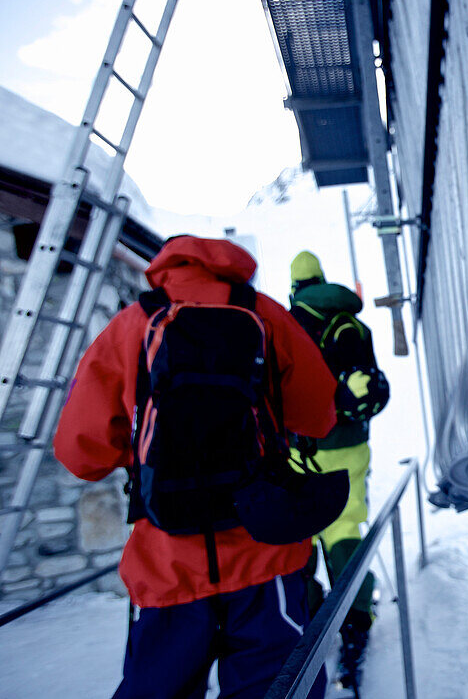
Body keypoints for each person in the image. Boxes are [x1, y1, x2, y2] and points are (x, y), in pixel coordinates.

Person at [54, 236, 337, 699]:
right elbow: (319, 416)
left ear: (162, 266)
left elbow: (80, 454)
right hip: (265, 549)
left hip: (167, 563)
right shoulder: (266, 314)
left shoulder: (132, 325)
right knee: (280, 688)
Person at [288, 250, 387, 694]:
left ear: (295, 286)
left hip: (300, 451)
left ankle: (307, 619)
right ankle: (356, 617)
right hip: (350, 447)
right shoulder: (351, 322)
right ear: (322, 279)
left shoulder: (289, 324)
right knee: (345, 530)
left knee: (302, 536)